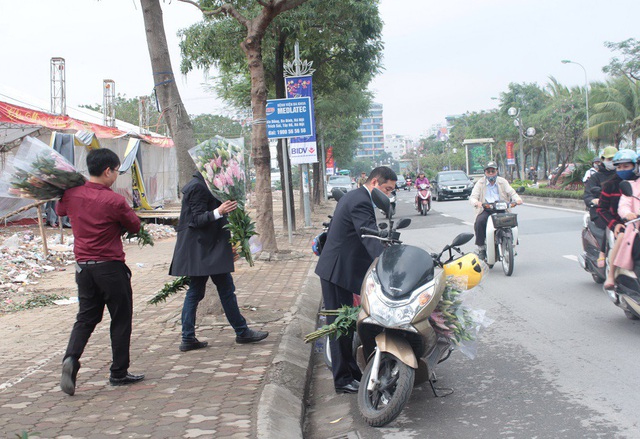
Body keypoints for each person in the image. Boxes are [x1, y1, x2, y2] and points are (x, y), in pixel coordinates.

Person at [57, 148, 144, 396]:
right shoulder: (114, 200)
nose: (116, 175)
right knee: (121, 318)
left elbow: (61, 211)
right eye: (116, 171)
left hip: (83, 268)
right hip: (110, 268)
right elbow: (135, 226)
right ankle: (118, 372)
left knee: (85, 317)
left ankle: (71, 358)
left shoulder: (71, 194)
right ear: (107, 170)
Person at [315, 166, 397, 394]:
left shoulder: (356, 196)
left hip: (342, 269)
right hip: (337, 271)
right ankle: (342, 380)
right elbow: (368, 235)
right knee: (339, 328)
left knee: (348, 326)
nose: (388, 195)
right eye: (387, 189)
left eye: (391, 191)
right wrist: (386, 262)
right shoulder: (360, 200)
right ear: (374, 184)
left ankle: (352, 373)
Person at [169, 172, 268, 352]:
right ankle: (240, 331)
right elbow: (196, 219)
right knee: (211, 291)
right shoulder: (197, 187)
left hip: (208, 249)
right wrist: (219, 211)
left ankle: (190, 337)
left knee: (209, 290)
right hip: (201, 249)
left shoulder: (208, 185)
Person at [597, 149, 638, 289]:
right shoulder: (611, 185)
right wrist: (615, 224)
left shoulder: (637, 183)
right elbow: (603, 209)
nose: (622, 170)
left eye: (626, 166)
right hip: (622, 224)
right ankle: (611, 275)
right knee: (621, 236)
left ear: (635, 166)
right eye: (619, 167)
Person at [469, 161, 523, 260]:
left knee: (512, 221)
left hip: (502, 208)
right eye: (488, 171)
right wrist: (477, 203)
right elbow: (473, 197)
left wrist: (517, 200)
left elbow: (512, 192)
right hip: (486, 209)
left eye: (493, 171)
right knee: (479, 222)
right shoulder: (480, 183)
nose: (491, 173)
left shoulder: (503, 181)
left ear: (496, 171)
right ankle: (481, 248)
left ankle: (513, 243)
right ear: (485, 172)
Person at [583, 146, 618, 268]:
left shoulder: (622, 176)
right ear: (603, 159)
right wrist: (595, 200)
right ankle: (603, 255)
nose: (612, 162)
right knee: (611, 226)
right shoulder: (595, 177)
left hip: (620, 211)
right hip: (601, 212)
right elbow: (587, 196)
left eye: (614, 159)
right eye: (609, 159)